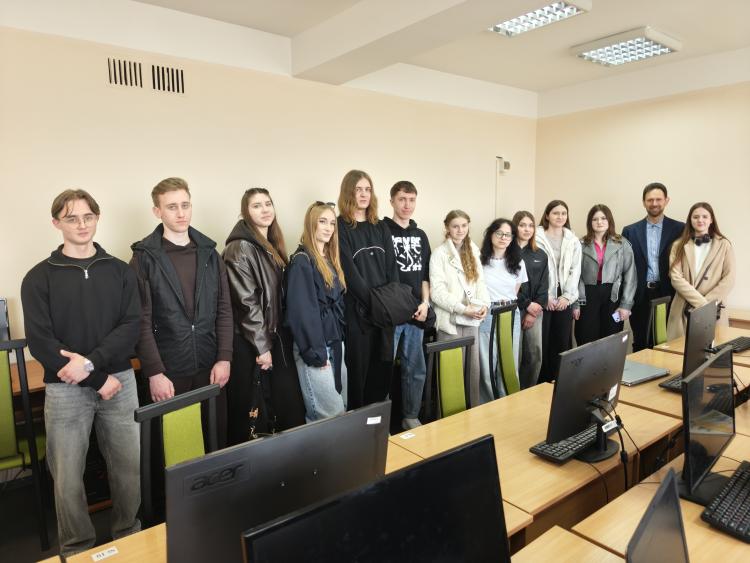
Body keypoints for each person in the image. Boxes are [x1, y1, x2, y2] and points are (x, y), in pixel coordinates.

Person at [21, 189, 141, 557]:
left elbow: (131, 326)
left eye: (88, 216)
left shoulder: (119, 271)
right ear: (56, 223)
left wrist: (90, 365)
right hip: (65, 390)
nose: (81, 224)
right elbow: (41, 343)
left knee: (128, 469)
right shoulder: (38, 278)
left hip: (120, 383)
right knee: (67, 477)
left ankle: (129, 537)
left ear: (97, 218)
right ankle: (76, 549)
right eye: (71, 218)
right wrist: (95, 377)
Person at [131, 177, 232, 447]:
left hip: (211, 366)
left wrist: (224, 358)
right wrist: (154, 373)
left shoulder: (210, 254)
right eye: (172, 206)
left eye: (185, 205)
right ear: (157, 211)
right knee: (179, 448)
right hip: (169, 372)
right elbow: (141, 321)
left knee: (216, 443)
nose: (181, 213)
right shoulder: (144, 259)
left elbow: (224, 310)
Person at [223, 188, 304, 441]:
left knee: (284, 410)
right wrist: (262, 347)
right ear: (245, 212)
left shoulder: (270, 246)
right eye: (256, 205)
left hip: (274, 338)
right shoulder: (239, 248)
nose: (265, 209)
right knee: (255, 418)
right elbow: (246, 303)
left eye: (268, 204)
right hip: (252, 344)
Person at [336, 170, 399, 409]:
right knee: (358, 375)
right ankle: (358, 427)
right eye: (358, 189)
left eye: (368, 189)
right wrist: (375, 306)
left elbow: (392, 268)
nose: (364, 194)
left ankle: (378, 425)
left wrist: (388, 306)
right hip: (359, 315)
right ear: (348, 192)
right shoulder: (340, 227)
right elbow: (350, 275)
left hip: (384, 315)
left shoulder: (380, 226)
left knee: (382, 373)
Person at [285, 202, 348, 422]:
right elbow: (301, 314)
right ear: (311, 224)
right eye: (323, 222)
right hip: (315, 347)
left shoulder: (330, 260)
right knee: (329, 416)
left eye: (332, 223)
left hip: (335, 343)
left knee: (341, 411)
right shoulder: (302, 262)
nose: (329, 228)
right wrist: (316, 354)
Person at [383, 180, 432, 430]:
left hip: (416, 313)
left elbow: (425, 275)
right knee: (383, 370)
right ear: (392, 201)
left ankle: (410, 416)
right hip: (391, 314)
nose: (407, 205)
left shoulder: (420, 235)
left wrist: (425, 303)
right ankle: (381, 422)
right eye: (402, 199)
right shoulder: (381, 231)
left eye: (412, 200)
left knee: (415, 368)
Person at [430, 210, 490, 407]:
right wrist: (462, 308)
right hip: (450, 321)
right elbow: (437, 292)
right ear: (447, 228)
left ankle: (472, 414)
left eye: (464, 226)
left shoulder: (473, 250)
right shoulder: (439, 254)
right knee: (451, 376)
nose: (460, 230)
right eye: (455, 226)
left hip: (472, 319)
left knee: (472, 373)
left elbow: (481, 283)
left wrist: (484, 305)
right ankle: (449, 418)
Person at [622, 183, 684, 351]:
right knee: (640, 342)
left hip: (668, 293)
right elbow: (625, 268)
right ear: (644, 202)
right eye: (650, 200)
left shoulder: (680, 229)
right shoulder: (630, 231)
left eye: (658, 199)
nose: (654, 203)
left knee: (665, 342)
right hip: (640, 295)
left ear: (666, 201)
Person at [666, 202, 735, 339]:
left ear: (711, 219)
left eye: (704, 216)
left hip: (714, 308)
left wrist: (706, 305)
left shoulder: (724, 245)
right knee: (679, 350)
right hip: (683, 308)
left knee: (713, 349)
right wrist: (701, 303)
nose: (700, 220)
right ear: (690, 220)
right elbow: (676, 278)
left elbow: (729, 278)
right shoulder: (678, 245)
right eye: (696, 217)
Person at [572, 204, 637, 345]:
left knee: (612, 338)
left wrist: (626, 305)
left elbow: (630, 276)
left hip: (613, 296)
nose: (599, 222)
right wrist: (575, 303)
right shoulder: (580, 244)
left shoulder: (622, 244)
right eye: (595, 219)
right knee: (585, 337)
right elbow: (574, 276)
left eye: (603, 218)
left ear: (609, 221)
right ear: (590, 222)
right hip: (587, 297)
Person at [478, 218, 527, 398]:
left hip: (511, 312)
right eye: (499, 233)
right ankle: (487, 404)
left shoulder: (518, 262)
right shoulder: (479, 260)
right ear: (491, 234)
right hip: (487, 312)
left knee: (509, 362)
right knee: (487, 363)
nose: (503, 238)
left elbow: (515, 290)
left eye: (508, 234)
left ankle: (509, 403)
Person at [535, 200, 581, 382]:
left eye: (563, 213)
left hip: (565, 294)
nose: (560, 217)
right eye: (555, 213)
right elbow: (533, 271)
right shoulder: (536, 237)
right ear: (547, 215)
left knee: (562, 340)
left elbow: (575, 270)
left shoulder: (573, 240)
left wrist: (567, 297)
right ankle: (542, 382)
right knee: (543, 341)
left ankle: (559, 380)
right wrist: (545, 296)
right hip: (543, 294)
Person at [512, 211, 548, 388]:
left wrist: (534, 310)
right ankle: (513, 393)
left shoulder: (540, 254)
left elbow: (544, 284)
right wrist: (525, 305)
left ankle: (528, 390)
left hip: (535, 311)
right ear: (515, 227)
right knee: (515, 355)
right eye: (522, 225)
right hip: (514, 309)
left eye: (531, 225)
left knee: (534, 354)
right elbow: (507, 286)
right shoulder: (507, 253)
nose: (527, 229)